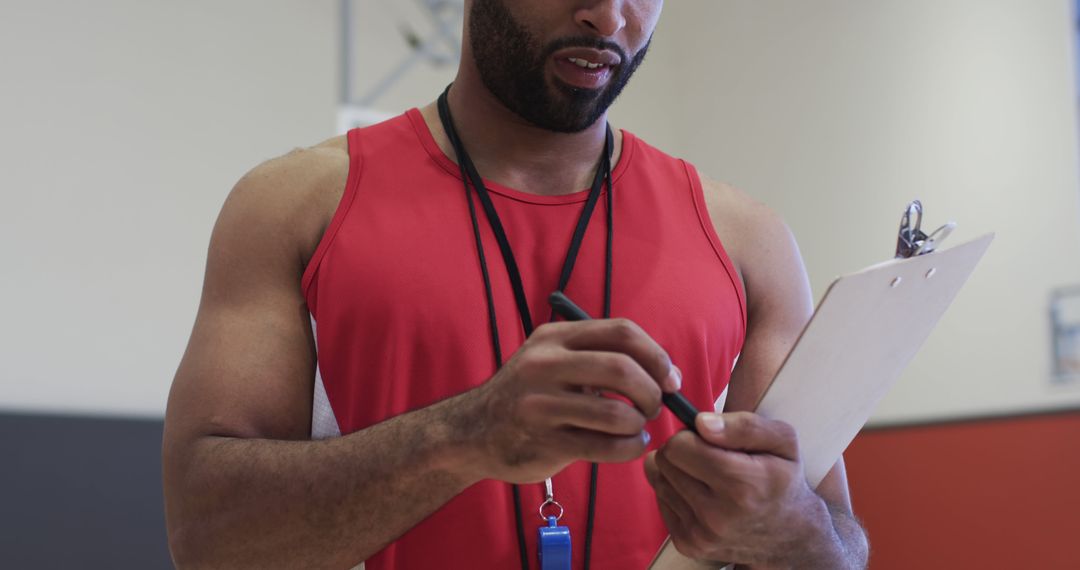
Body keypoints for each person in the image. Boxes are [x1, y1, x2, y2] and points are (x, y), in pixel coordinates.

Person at [163, 1, 870, 568]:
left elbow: (838, 548)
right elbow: (208, 538)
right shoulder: (296, 205)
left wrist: (787, 532)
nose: (609, 16)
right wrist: (465, 435)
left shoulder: (749, 241)